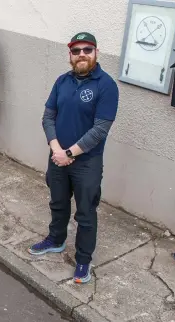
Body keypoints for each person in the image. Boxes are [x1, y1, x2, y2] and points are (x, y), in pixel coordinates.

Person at [28, 32, 119, 284]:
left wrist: (69, 153)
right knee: (58, 203)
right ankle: (56, 240)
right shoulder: (62, 81)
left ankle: (83, 260)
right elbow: (48, 117)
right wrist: (57, 150)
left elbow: (100, 130)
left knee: (86, 213)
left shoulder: (106, 85)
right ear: (70, 55)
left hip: (87, 163)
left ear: (96, 53)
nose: (81, 54)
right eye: (76, 50)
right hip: (58, 158)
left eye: (87, 50)